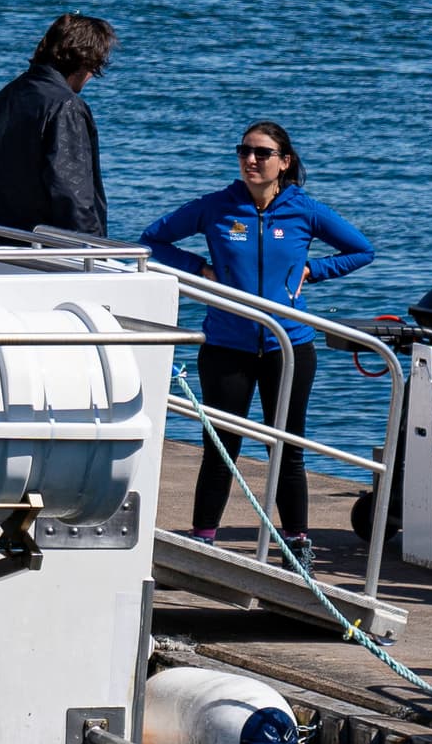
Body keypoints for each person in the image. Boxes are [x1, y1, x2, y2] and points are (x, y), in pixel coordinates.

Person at [141, 121, 375, 551]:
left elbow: (362, 250)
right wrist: (199, 270)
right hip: (227, 346)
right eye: (244, 151)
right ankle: (204, 540)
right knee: (220, 447)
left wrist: (314, 270)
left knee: (286, 448)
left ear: (283, 163)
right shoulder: (217, 207)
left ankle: (297, 544)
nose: (251, 159)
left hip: (289, 347)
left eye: (262, 153)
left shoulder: (303, 210)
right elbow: (153, 240)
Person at [0, 13, 115, 249]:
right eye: (95, 66)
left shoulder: (7, 95)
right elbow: (71, 190)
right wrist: (93, 251)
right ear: (85, 61)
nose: (91, 76)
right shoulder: (65, 106)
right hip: (44, 252)